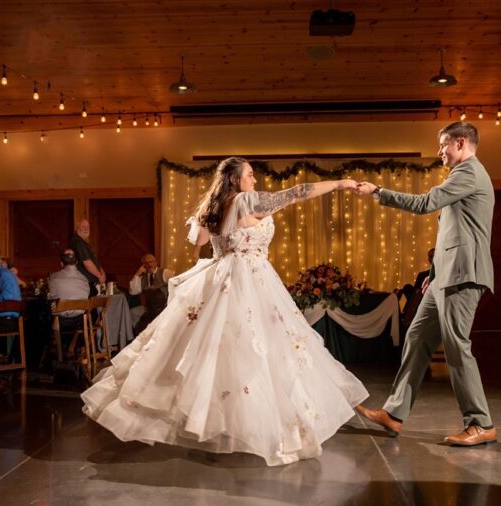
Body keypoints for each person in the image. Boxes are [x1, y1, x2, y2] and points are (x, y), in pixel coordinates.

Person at [82, 157, 367, 466]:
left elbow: (202, 242)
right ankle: (259, 425)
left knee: (223, 353)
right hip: (250, 281)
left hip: (224, 278)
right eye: (250, 175)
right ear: (235, 180)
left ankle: (224, 421)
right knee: (260, 351)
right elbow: (298, 192)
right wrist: (340, 184)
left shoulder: (214, 207)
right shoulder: (247, 201)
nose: (255, 180)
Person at [354, 121, 497, 447]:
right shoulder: (462, 176)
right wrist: (434, 271)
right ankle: (394, 413)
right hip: (446, 274)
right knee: (418, 336)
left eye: (443, 145)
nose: (439, 152)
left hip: (464, 274)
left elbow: (424, 204)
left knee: (457, 346)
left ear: (460, 143)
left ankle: (481, 423)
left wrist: (378, 192)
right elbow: (455, 231)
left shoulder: (468, 173)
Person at [128, 254, 172, 333]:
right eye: (146, 263)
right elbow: (133, 291)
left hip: (163, 307)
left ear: (156, 262)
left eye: (151, 262)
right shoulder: (142, 278)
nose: (149, 265)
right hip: (149, 308)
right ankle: (140, 337)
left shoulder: (164, 272)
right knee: (132, 312)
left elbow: (175, 285)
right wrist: (137, 273)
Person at [49, 249, 90, 315]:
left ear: (61, 264)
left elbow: (52, 299)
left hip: (60, 321)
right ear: (76, 262)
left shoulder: (54, 278)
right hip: (81, 321)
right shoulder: (85, 280)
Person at [71, 219, 105, 294]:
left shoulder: (83, 243)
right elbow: (87, 263)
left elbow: (93, 261)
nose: (86, 229)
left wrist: (102, 271)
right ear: (77, 228)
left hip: (89, 283)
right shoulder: (79, 242)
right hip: (86, 284)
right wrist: (100, 275)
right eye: (83, 227)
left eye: (88, 227)